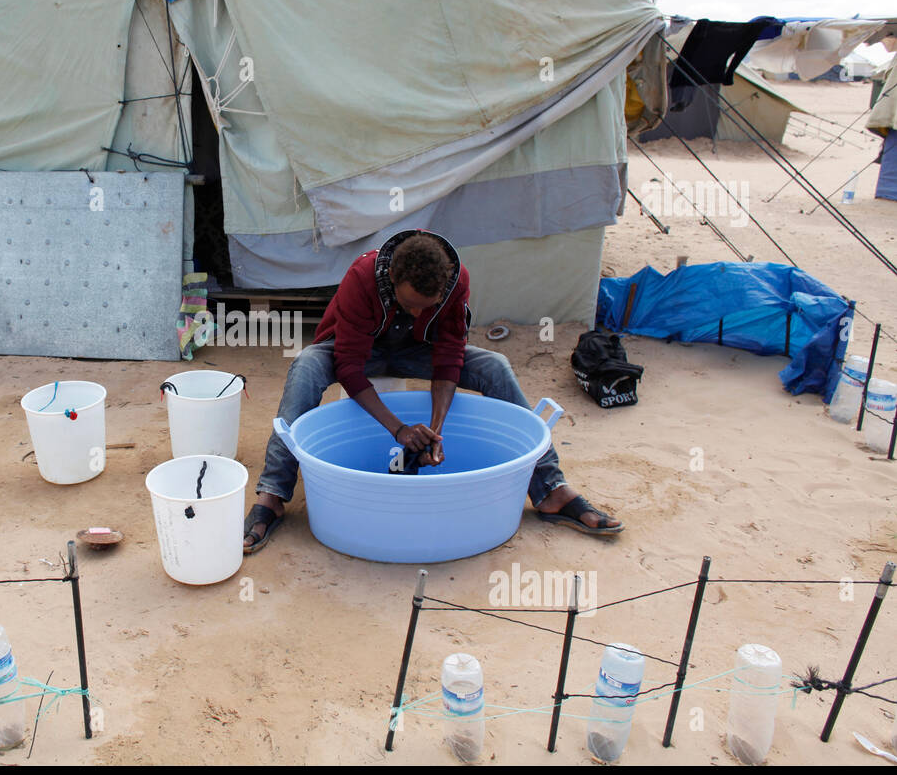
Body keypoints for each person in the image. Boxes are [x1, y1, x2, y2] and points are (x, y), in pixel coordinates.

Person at [243, 229, 622, 554]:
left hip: (415, 353)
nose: (416, 314)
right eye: (409, 305)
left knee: (494, 366)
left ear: (443, 289)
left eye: (428, 308)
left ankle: (551, 488)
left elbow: (448, 356)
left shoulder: (456, 282)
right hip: (359, 350)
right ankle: (272, 495)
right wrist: (400, 431)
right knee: (307, 364)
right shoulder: (362, 276)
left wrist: (433, 433)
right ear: (391, 277)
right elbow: (349, 369)